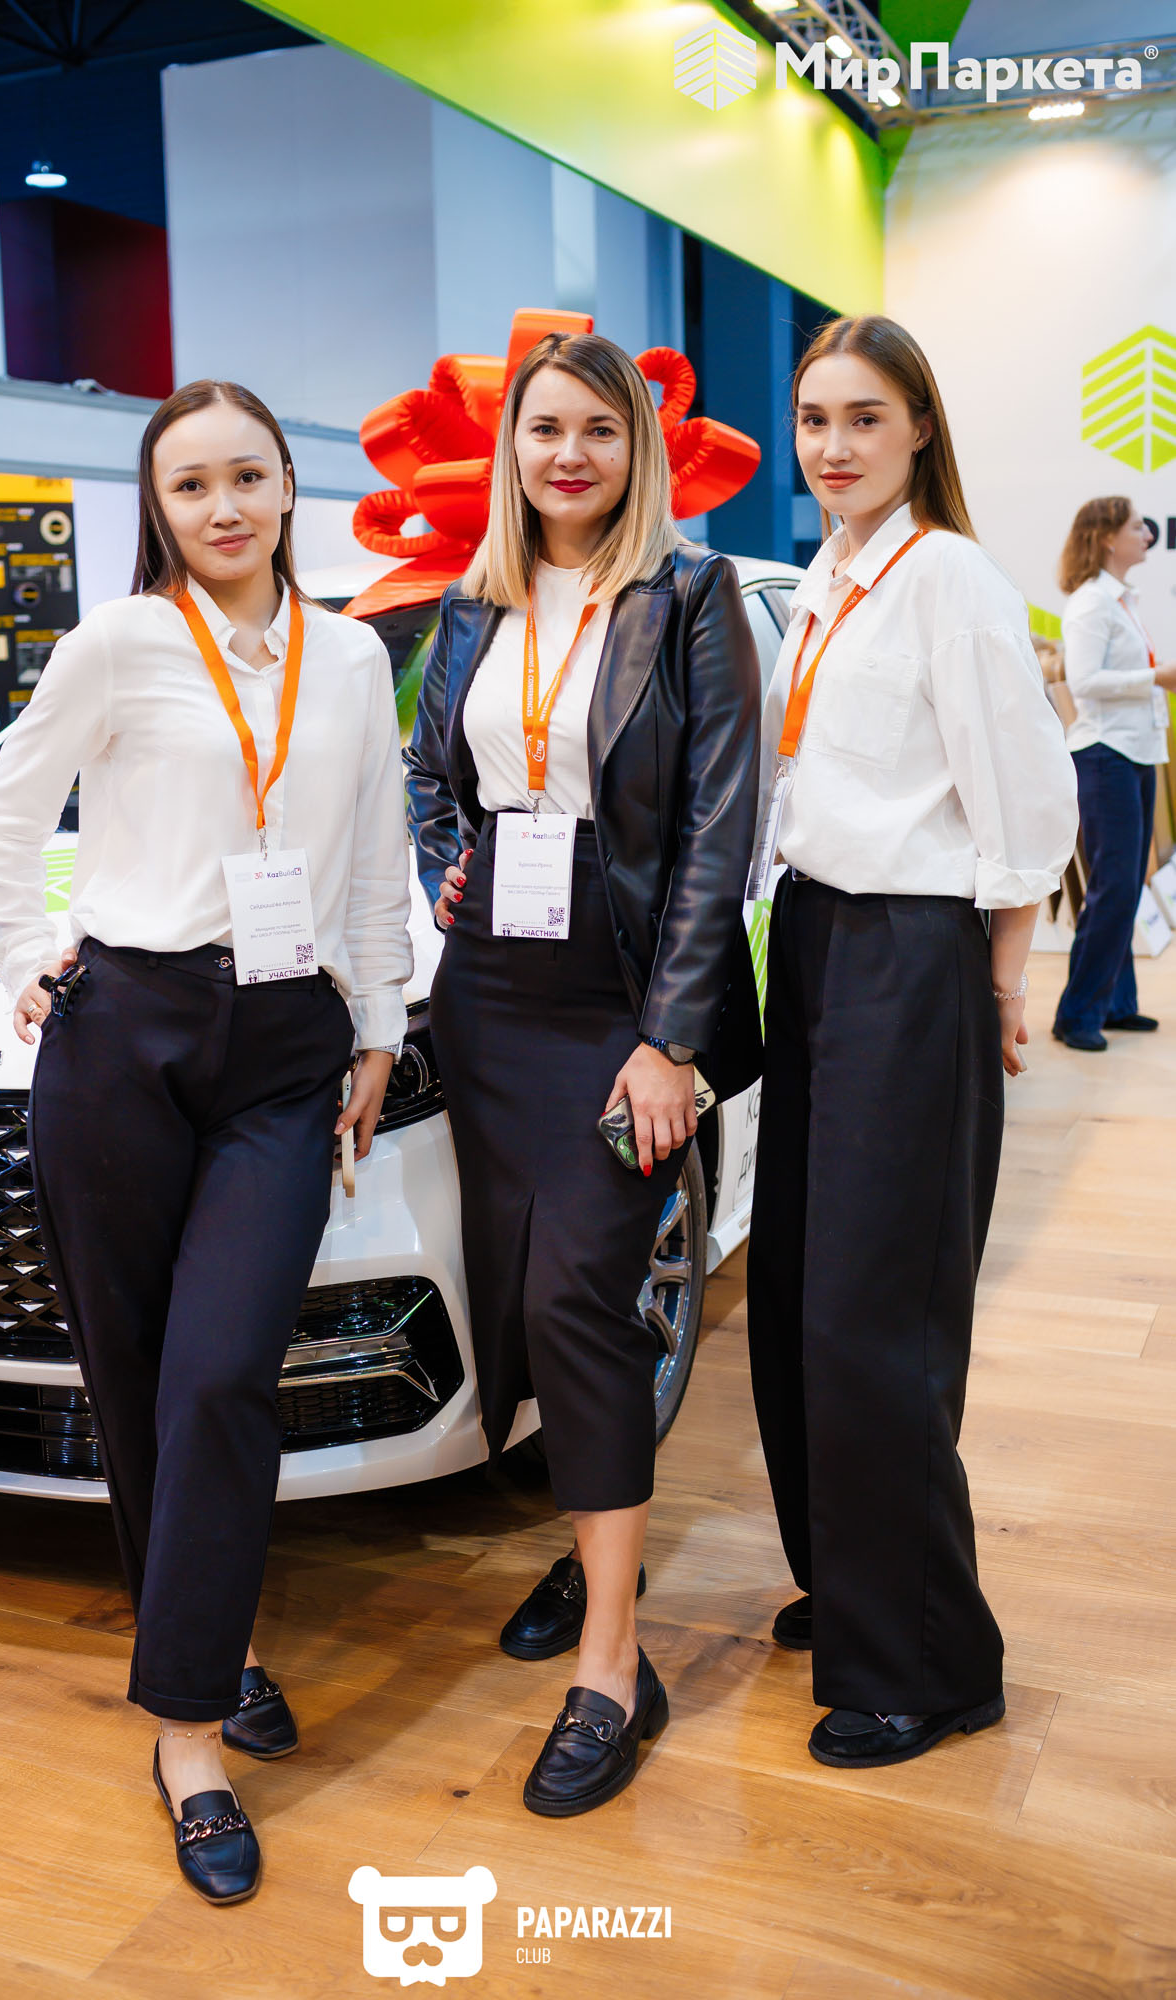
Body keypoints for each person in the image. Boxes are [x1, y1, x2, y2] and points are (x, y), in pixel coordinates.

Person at [0, 379, 412, 1902]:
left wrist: (377, 1023)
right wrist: (22, 953)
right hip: (124, 1037)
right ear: (158, 508)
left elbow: (374, 851)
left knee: (224, 1371)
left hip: (286, 1047)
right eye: (189, 485)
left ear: (288, 485)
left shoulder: (351, 657)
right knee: (140, 1376)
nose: (222, 507)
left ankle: (190, 1681)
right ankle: (195, 1721)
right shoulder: (118, 643)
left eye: (246, 476)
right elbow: (9, 815)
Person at [406, 330, 762, 1817]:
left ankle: (614, 1664)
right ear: (513, 449)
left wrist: (670, 1037)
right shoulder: (471, 601)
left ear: (638, 452)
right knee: (523, 1303)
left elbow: (720, 826)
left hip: (620, 997)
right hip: (487, 992)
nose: (569, 455)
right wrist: (443, 859)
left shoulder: (689, 596)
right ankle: (591, 1556)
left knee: (580, 1298)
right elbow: (431, 775)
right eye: (544, 429)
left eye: (598, 432)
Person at [746, 315, 1077, 1771]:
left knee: (874, 1313)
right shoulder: (831, 573)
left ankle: (930, 1664)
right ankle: (850, 1578)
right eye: (814, 419)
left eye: (864, 418)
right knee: (796, 1291)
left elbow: (1026, 805)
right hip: (818, 938)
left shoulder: (950, 578)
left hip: (912, 952)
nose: (833, 446)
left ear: (920, 428)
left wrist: (998, 980)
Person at [1051, 498, 1176, 1051]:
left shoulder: (1119, 599)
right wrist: (1155, 677)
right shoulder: (1091, 602)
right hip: (1105, 756)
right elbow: (1084, 682)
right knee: (1114, 887)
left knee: (1123, 888)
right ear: (1106, 537)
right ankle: (1077, 1015)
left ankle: (1116, 1004)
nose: (1147, 535)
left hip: (1132, 754)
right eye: (1135, 527)